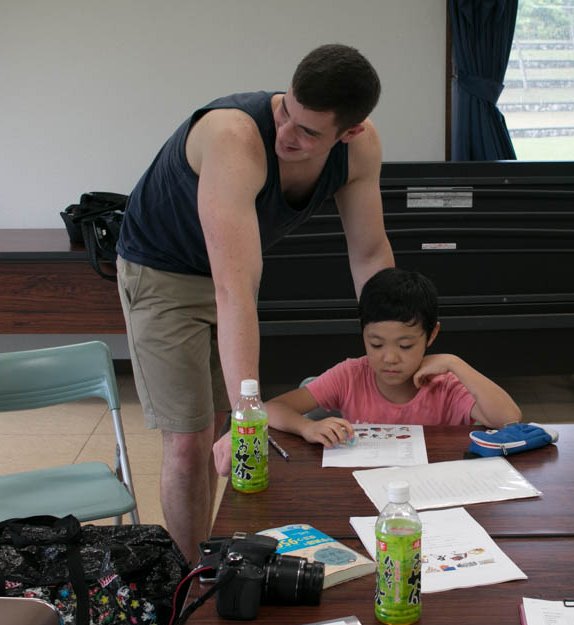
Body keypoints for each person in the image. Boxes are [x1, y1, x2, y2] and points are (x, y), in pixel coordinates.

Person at [114, 44, 395, 562]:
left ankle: (207, 555)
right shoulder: (234, 136)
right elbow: (234, 290)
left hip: (227, 273)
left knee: (219, 431)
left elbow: (371, 252)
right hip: (162, 274)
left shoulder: (361, 148)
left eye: (310, 132)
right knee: (190, 440)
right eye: (286, 110)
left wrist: (395, 342)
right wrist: (250, 407)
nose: (288, 135)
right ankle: (188, 583)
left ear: (349, 132)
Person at [213, 267, 523, 475]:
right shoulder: (351, 375)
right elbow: (274, 408)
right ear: (363, 335)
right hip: (360, 489)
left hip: (429, 490)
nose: (389, 358)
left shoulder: (442, 383)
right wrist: (306, 427)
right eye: (375, 344)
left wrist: (455, 363)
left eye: (404, 346)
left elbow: (508, 418)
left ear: (431, 335)